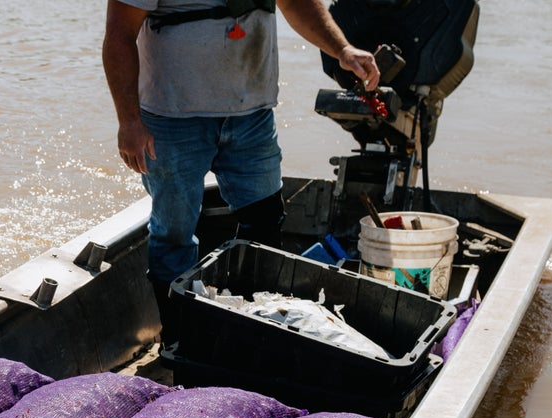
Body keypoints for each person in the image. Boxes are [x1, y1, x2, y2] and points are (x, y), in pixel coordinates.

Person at [102, 0, 379, 294]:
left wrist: (342, 49)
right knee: (173, 235)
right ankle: (178, 334)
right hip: (172, 119)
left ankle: (250, 320)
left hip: (251, 115)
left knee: (265, 220)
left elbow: (298, 4)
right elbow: (119, 34)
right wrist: (129, 121)